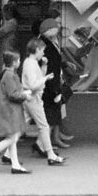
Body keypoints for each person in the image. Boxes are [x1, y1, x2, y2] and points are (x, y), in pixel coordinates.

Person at [0, 51, 32, 174]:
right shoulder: (9, 75)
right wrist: (25, 95)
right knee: (12, 138)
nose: (19, 62)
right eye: (18, 60)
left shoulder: (6, 74)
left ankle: (15, 164)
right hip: (10, 110)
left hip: (8, 109)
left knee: (12, 137)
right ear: (14, 63)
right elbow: (13, 94)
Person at [21, 37, 65, 166]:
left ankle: (6, 154)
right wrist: (45, 79)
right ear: (37, 49)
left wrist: (44, 67)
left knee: (21, 126)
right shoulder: (30, 64)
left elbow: (38, 77)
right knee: (44, 126)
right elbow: (34, 84)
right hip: (33, 98)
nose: (43, 53)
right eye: (42, 50)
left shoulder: (31, 62)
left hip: (30, 98)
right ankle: (50, 154)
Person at [39, 17, 70, 150]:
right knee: (51, 114)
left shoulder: (50, 42)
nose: (58, 28)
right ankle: (43, 144)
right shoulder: (45, 45)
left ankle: (49, 141)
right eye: (56, 25)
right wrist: (54, 88)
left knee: (54, 113)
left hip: (52, 82)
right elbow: (50, 64)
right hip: (50, 84)